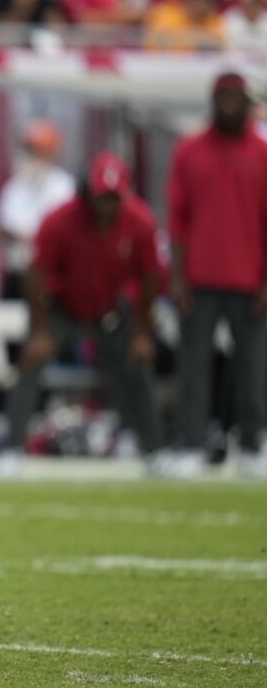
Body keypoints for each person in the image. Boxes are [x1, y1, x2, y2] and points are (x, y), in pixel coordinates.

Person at [4, 153, 165, 475]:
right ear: (86, 192)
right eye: (99, 197)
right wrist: (38, 332)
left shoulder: (139, 221)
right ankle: (10, 449)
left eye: (111, 198)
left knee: (138, 363)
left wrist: (142, 332)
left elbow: (149, 278)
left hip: (110, 311)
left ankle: (155, 449)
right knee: (31, 360)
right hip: (64, 306)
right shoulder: (60, 219)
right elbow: (36, 275)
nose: (105, 205)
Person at [167, 72, 267, 478]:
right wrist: (176, 277)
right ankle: (191, 444)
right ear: (213, 100)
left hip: (249, 279)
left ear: (246, 101)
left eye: (235, 97)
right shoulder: (189, 150)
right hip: (199, 278)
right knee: (193, 368)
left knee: (254, 368)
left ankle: (253, 445)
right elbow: (176, 219)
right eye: (222, 96)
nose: (229, 103)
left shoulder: (261, 152)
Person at [0, 121, 78, 299]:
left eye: (39, 151)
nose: (33, 157)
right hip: (17, 274)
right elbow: (4, 228)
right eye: (30, 151)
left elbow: (65, 231)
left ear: (51, 154)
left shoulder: (64, 186)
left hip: (52, 277)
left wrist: (32, 236)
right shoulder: (14, 186)